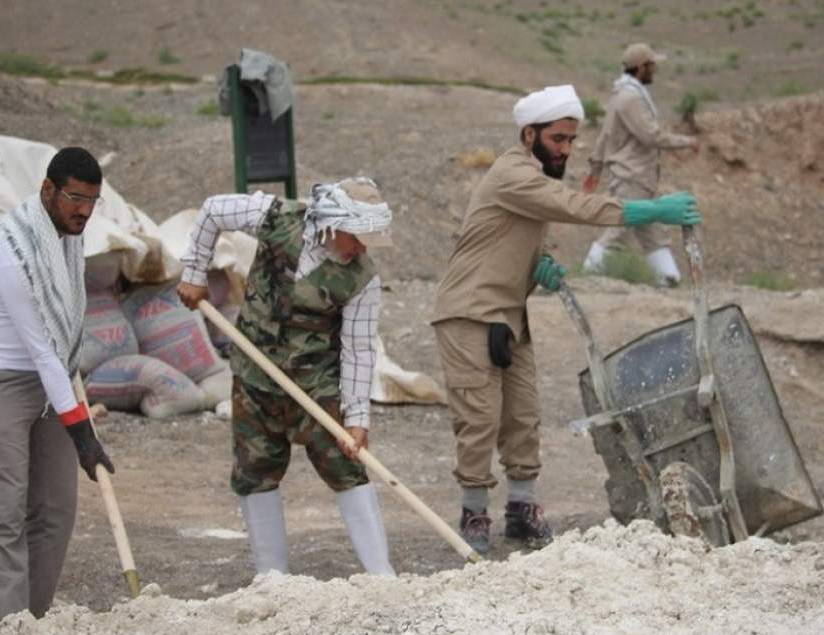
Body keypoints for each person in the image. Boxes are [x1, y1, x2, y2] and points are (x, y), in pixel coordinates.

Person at [432, 85, 701, 555]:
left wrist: (543, 263)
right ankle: (474, 513)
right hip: (470, 313)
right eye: (559, 139)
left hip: (509, 314)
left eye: (573, 140)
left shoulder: (531, 175)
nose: (567, 149)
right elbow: (572, 206)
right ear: (530, 133)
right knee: (479, 417)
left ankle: (522, 510)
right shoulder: (513, 172)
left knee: (523, 415)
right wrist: (648, 210)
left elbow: (521, 232)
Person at [177, 178, 396, 577]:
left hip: (316, 384)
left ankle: (383, 576)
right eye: (358, 237)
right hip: (255, 376)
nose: (362, 247)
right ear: (334, 224)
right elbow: (212, 209)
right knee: (255, 471)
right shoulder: (276, 217)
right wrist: (194, 271)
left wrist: (357, 419)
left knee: (347, 468)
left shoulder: (363, 279)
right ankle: (271, 580)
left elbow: (359, 349)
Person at [0, 147, 115, 627]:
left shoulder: (66, 238)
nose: (83, 211)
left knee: (55, 512)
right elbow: (42, 347)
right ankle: (7, 625)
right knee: (5, 511)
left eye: (92, 201)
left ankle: (33, 620)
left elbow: (60, 340)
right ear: (48, 190)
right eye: (74, 198)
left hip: (51, 382)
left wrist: (73, 416)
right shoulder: (12, 251)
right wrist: (83, 435)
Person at [582, 42, 701, 286]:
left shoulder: (621, 96)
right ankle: (587, 276)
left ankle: (669, 280)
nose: (654, 71)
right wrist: (686, 142)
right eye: (652, 66)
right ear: (641, 67)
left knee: (650, 231)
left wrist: (596, 168)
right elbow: (650, 136)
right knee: (620, 227)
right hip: (633, 176)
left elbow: (605, 136)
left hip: (635, 177)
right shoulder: (630, 98)